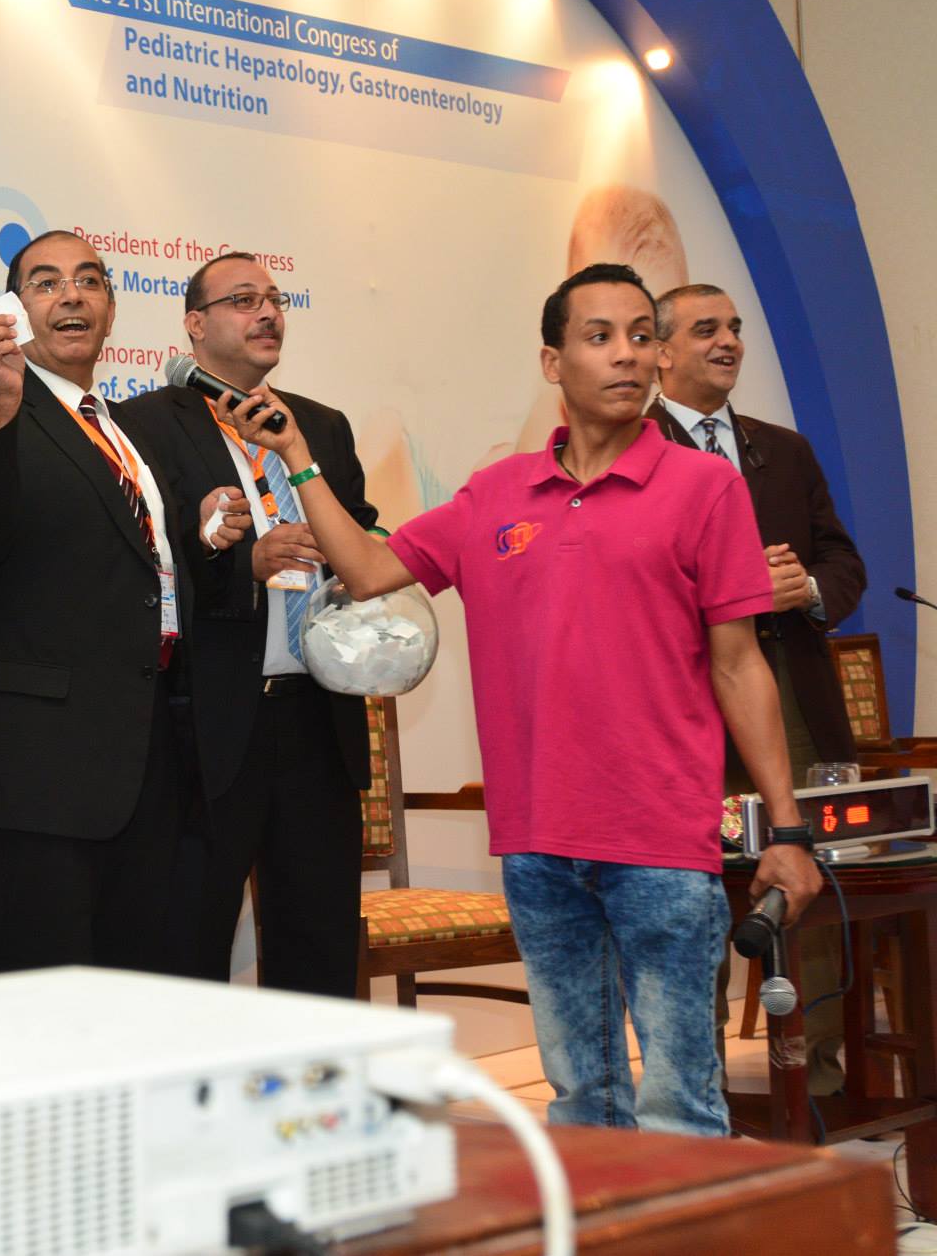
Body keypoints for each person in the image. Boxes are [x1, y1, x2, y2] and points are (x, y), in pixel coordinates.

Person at [229, 262, 823, 1135]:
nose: (628, 355)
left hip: (662, 842)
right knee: (583, 1101)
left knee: (681, 1108)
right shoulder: (496, 494)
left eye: (642, 336)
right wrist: (297, 459)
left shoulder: (705, 487)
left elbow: (740, 667)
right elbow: (367, 569)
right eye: (600, 337)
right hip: (538, 843)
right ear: (553, 362)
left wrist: (789, 830)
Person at [0, 230, 200, 974]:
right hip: (36, 765)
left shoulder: (124, 430)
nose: (71, 295)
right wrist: (4, 399)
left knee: (130, 987)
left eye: (88, 280)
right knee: (42, 994)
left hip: (144, 754)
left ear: (111, 307)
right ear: (14, 309)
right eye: (46, 283)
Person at [118, 251, 378, 988]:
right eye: (242, 300)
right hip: (205, 727)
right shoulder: (143, 425)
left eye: (274, 299)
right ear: (195, 325)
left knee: (319, 946)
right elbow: (136, 570)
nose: (266, 313)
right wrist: (243, 565)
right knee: (189, 944)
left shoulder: (319, 426)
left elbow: (363, 533)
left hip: (317, 720)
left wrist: (357, 562)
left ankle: (317, 1070)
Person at [651, 282, 868, 1093]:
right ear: (661, 351)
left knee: (808, 876)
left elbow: (844, 563)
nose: (729, 341)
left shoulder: (785, 449)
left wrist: (802, 587)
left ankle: (818, 1078)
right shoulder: (632, 449)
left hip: (791, 692)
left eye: (736, 328)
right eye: (706, 329)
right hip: (685, 699)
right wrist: (733, 589)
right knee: (691, 895)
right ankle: (692, 1081)